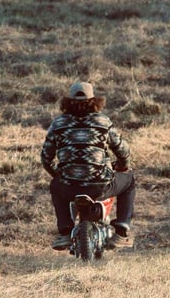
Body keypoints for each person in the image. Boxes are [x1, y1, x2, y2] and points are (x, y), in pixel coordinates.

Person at [40, 81, 135, 250]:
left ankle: (64, 232)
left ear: (67, 101)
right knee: (129, 182)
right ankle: (121, 230)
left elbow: (46, 158)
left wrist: (58, 175)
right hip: (100, 186)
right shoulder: (102, 122)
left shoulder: (59, 124)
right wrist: (123, 165)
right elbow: (123, 150)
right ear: (95, 101)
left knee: (55, 186)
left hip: (69, 187)